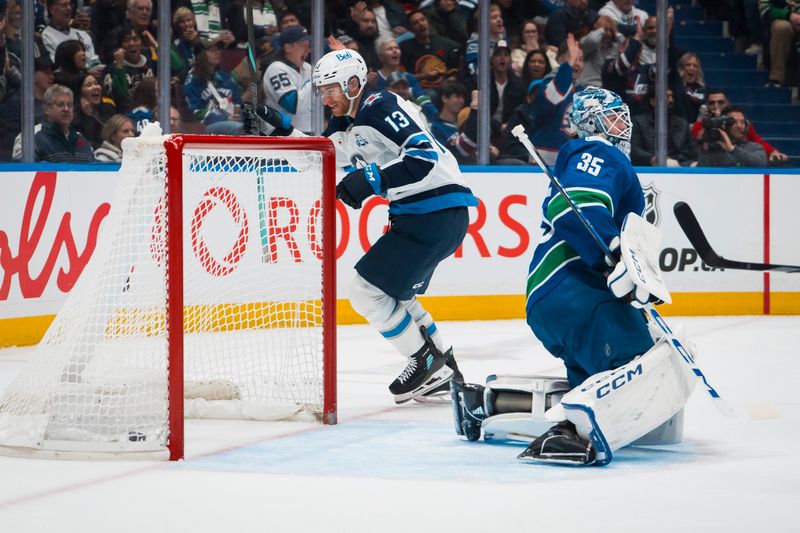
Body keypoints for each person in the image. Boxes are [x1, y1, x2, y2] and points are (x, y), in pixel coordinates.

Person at [452, 87, 694, 465]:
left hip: (558, 298)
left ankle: (486, 405)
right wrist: (613, 255)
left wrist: (625, 264)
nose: (623, 126)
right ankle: (568, 434)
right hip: (578, 289)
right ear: (594, 121)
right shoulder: (599, 151)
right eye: (615, 117)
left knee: (596, 385)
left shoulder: (591, 156)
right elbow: (575, 208)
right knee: (638, 365)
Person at [246, 49, 479, 403]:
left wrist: (370, 179)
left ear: (353, 84)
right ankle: (445, 364)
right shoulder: (350, 122)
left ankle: (425, 360)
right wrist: (283, 128)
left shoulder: (378, 106)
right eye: (322, 91)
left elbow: (424, 156)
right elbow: (324, 153)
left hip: (434, 212)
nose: (325, 99)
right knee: (397, 294)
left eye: (331, 90)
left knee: (365, 292)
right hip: (427, 215)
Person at [690, 88, 789, 163]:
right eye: (712, 103)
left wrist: (772, 151)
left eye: (721, 102)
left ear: (727, 103)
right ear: (707, 106)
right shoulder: (701, 125)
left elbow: (757, 140)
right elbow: (697, 148)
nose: (716, 106)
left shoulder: (740, 123)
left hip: (736, 158)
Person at [183, 39, 243, 135]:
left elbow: (238, 101)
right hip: (207, 126)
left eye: (218, 49)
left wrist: (238, 113)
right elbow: (196, 113)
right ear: (200, 55)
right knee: (238, 128)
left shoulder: (225, 77)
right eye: (212, 50)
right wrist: (225, 118)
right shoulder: (192, 82)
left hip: (233, 120)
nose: (218, 52)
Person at [263, 25, 312, 134]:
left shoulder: (307, 67)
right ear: (288, 48)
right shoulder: (276, 69)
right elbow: (292, 105)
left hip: (311, 131)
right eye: (303, 46)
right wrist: (316, 79)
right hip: (284, 135)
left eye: (308, 45)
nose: (308, 50)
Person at [630, 86, 696, 166]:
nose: (671, 100)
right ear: (653, 101)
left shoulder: (682, 123)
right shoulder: (638, 122)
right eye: (667, 97)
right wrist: (652, 158)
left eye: (672, 96)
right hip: (652, 166)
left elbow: (691, 150)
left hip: (681, 163)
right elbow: (634, 149)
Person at [32, 84, 95, 162]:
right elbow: (23, 171)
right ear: (47, 109)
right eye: (60, 105)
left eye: (69, 105)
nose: (66, 109)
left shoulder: (81, 139)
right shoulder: (32, 138)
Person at [696, 106, 767, 167]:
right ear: (724, 125)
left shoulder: (753, 147)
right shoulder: (713, 148)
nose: (739, 126)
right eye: (734, 122)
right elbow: (701, 173)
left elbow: (761, 163)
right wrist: (705, 146)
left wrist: (732, 149)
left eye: (742, 122)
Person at [759, 0, 800, 87]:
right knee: (781, 27)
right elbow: (765, 10)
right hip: (784, 20)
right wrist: (789, 15)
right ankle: (776, 78)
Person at [71, 71, 116, 149]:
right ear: (79, 92)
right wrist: (88, 117)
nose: (95, 87)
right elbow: (88, 140)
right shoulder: (73, 114)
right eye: (88, 85)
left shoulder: (108, 106)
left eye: (96, 83)